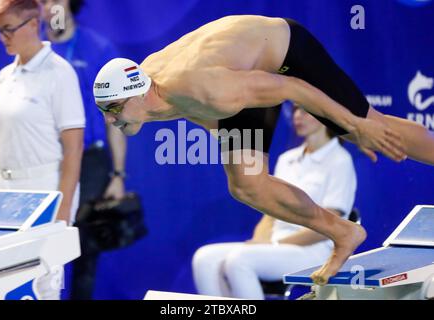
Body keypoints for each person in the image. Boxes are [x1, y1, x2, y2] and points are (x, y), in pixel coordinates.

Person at [92, 15, 434, 284]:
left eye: (114, 109)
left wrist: (354, 126)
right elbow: (205, 115)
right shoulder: (151, 97)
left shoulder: (199, 87)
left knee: (368, 124)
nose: (111, 121)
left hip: (285, 55)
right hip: (238, 74)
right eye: (104, 111)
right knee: (246, 184)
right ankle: (344, 232)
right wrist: (235, 147)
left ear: (137, 94)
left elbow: (291, 88)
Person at [192, 103, 357, 299]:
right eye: (296, 110)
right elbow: (270, 212)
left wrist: (276, 243)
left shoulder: (340, 160)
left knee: (239, 261)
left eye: (306, 111)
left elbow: (332, 223)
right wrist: (258, 240)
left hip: (314, 251)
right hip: (276, 245)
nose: (298, 116)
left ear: (324, 116)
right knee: (204, 259)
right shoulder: (287, 159)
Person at [0, 0, 85, 299]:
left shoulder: (59, 72)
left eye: (8, 29)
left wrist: (63, 211)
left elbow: (73, 148)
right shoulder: (5, 76)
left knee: (42, 288)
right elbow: (1, 143)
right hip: (3, 196)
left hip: (45, 193)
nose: (2, 36)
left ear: (31, 25)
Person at [37, 0, 127, 300]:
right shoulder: (32, 50)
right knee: (39, 249)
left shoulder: (98, 49)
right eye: (43, 0)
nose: (50, 7)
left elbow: (115, 119)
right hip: (44, 161)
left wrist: (117, 174)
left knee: (82, 247)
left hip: (89, 162)